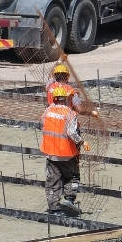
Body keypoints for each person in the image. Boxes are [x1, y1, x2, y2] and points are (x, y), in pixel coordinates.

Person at [41, 84, 89, 216]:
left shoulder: (47, 111)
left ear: (54, 98)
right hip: (67, 154)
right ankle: (69, 199)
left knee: (53, 181)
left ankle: (54, 209)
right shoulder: (70, 113)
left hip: (51, 153)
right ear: (66, 99)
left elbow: (43, 125)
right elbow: (71, 133)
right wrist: (82, 141)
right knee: (72, 176)